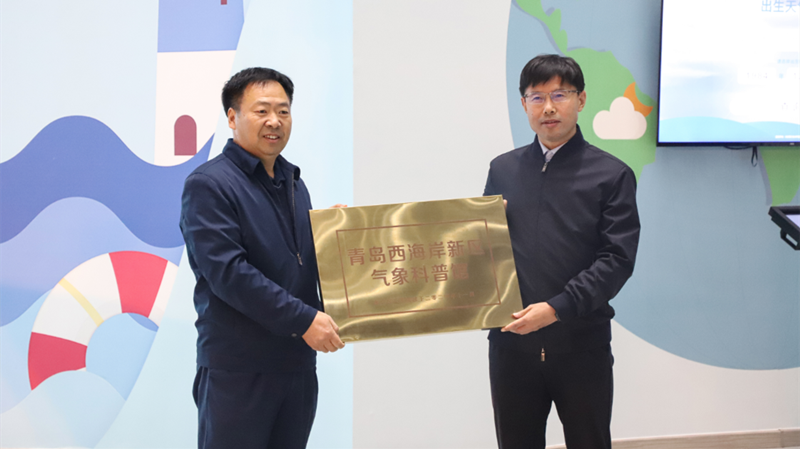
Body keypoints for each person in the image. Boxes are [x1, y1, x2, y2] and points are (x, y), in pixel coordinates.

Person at [180, 67, 345, 449]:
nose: (275, 121)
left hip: (296, 365)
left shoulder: (293, 182)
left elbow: (293, 260)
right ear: (232, 117)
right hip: (239, 370)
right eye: (262, 111)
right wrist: (304, 319)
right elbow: (230, 274)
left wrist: (335, 237)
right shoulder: (210, 184)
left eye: (283, 111)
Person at [483, 54, 640, 449]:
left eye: (560, 95)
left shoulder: (612, 174)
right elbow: (482, 252)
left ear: (581, 100)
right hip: (511, 346)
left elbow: (616, 260)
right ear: (524, 104)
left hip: (580, 345)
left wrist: (555, 309)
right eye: (536, 97)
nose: (548, 108)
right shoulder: (502, 170)